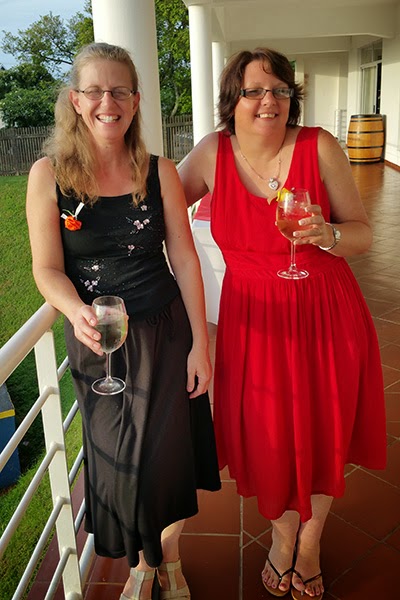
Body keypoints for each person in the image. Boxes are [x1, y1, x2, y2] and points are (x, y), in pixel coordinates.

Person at [179, 47, 386, 600]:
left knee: (322, 434)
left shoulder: (320, 146)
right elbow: (155, 210)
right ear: (233, 99)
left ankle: (310, 544)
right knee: (267, 437)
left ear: (292, 98)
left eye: (279, 90)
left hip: (325, 314)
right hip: (253, 324)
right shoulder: (210, 154)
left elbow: (362, 233)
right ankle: (282, 536)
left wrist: (331, 235)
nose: (268, 101)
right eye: (254, 90)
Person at [26, 42, 221, 600]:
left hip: (165, 334)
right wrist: (75, 310)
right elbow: (46, 268)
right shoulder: (49, 175)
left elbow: (184, 258)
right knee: (118, 466)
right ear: (75, 100)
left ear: (135, 102)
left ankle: (168, 559)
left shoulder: (159, 171)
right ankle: (141, 562)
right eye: (94, 91)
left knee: (169, 457)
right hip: (99, 342)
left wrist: (200, 344)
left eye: (119, 91)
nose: (107, 102)